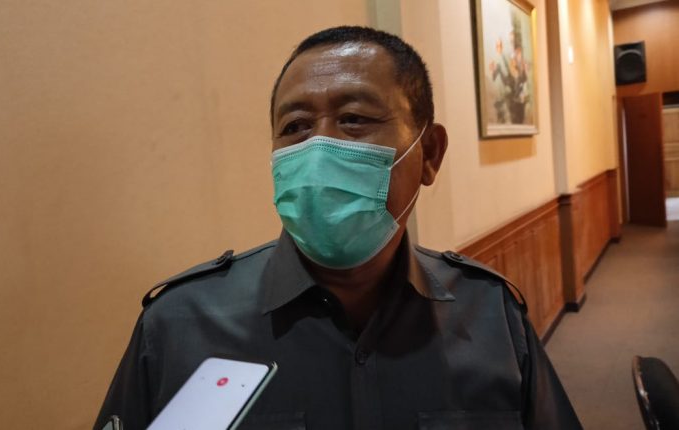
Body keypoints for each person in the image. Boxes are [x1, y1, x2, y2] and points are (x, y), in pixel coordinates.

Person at [94, 26, 581, 429]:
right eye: (295, 127)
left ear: (429, 154)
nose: (318, 147)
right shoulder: (179, 326)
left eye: (354, 118)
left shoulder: (492, 317)